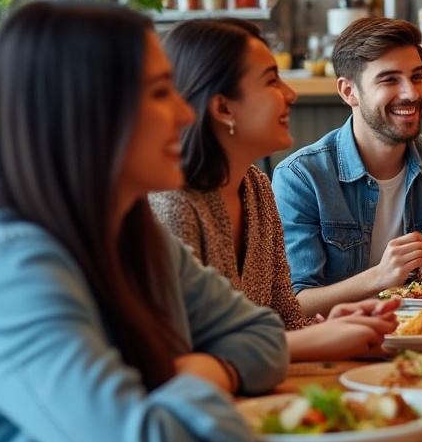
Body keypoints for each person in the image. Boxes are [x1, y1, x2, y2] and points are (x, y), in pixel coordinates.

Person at [0, 0, 288, 442]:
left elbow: (264, 335)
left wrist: (202, 370)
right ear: (85, 111)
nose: (188, 116)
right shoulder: (12, 268)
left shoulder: (128, 229)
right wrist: (193, 382)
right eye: (159, 93)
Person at [151, 19, 400, 362]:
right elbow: (183, 354)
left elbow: (285, 317)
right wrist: (314, 341)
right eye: (272, 80)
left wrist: (326, 330)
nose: (291, 93)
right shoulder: (173, 205)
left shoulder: (255, 187)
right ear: (223, 108)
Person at [272, 17, 422, 317]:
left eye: (417, 76)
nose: (411, 93)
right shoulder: (301, 177)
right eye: (389, 79)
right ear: (349, 91)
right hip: (343, 346)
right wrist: (380, 277)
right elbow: (295, 303)